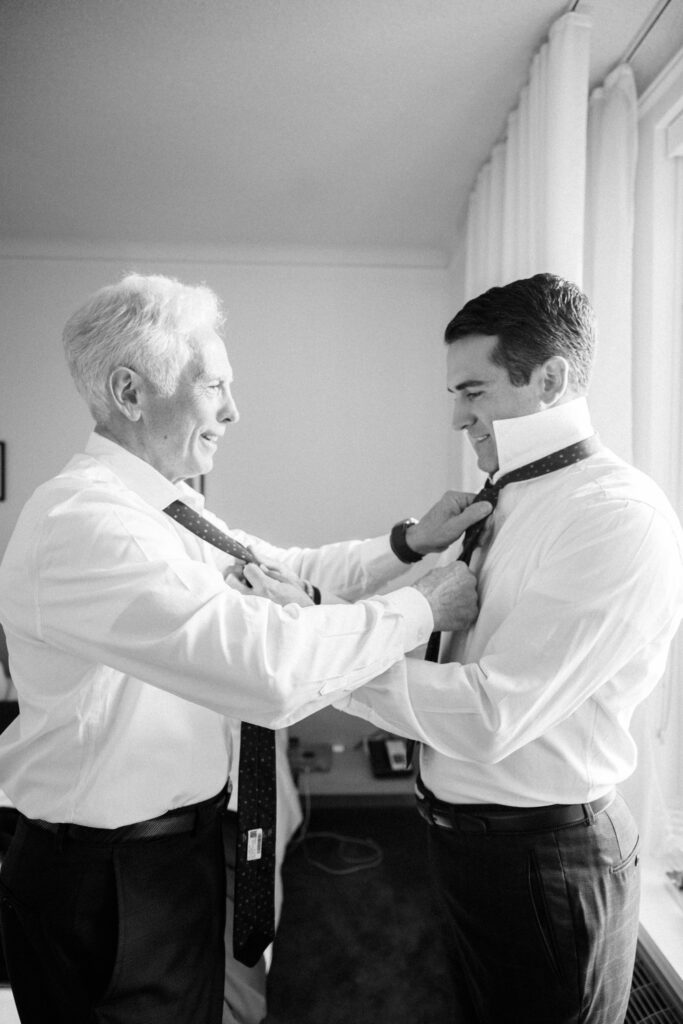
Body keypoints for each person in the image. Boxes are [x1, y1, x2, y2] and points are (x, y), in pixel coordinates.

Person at [0, 272, 489, 1024]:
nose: (234, 411)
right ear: (132, 394)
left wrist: (408, 543)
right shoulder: (87, 526)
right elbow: (268, 669)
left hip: (173, 856)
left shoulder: (167, 507)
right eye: (214, 386)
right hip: (107, 880)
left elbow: (282, 573)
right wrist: (422, 606)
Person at [276, 273, 681, 1024]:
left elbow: (491, 714)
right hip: (464, 842)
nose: (457, 418)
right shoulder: (507, 495)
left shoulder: (614, 519)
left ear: (551, 379)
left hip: (545, 859)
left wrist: (318, 654)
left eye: (475, 392)